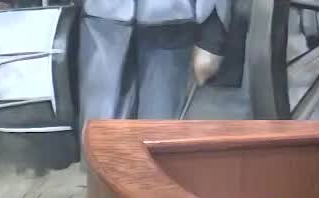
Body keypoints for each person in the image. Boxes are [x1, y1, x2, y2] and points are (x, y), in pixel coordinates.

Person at [78, 0, 232, 125]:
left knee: (159, 130)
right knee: (98, 130)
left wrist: (213, 32)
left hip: (170, 23)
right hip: (101, 22)